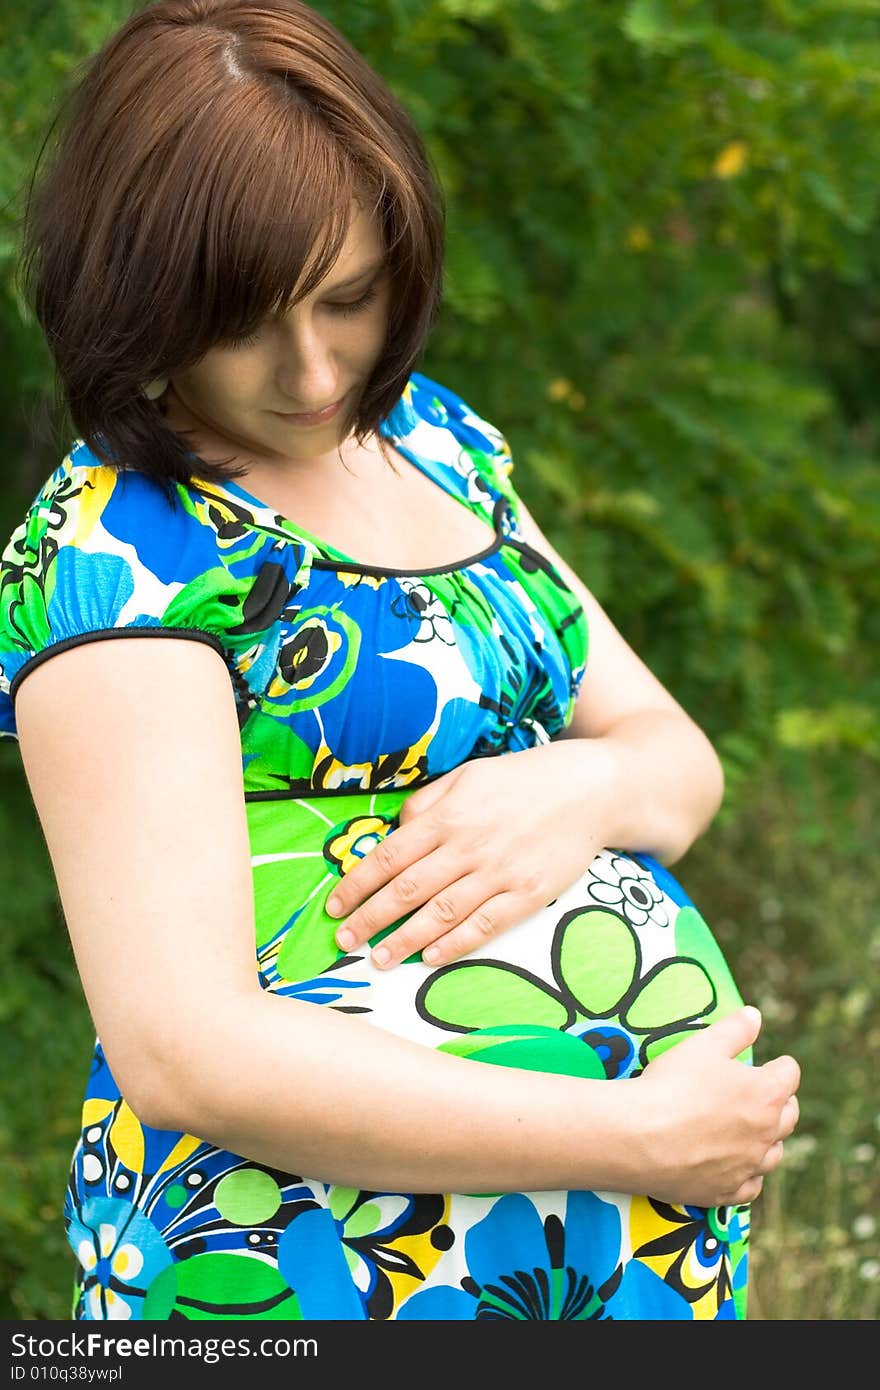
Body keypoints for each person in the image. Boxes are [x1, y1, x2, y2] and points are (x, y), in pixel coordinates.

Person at [0, 0, 800, 1322]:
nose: (315, 369)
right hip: (307, 1274)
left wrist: (572, 792)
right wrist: (644, 1138)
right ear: (140, 292)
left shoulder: (433, 441)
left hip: (605, 1272)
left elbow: (677, 760)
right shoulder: (114, 551)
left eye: (350, 299)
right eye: (246, 320)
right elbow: (187, 1052)